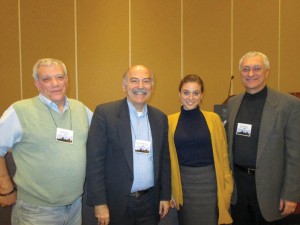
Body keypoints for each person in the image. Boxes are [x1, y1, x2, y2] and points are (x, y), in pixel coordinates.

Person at [0, 58, 92, 225]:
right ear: (37, 84)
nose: (55, 83)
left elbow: (102, 138)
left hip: (75, 207)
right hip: (36, 211)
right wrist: (6, 189)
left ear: (67, 79)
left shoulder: (80, 109)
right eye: (46, 79)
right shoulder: (19, 111)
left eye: (60, 77)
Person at [86, 65, 171, 225]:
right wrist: (99, 203)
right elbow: (94, 162)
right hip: (116, 204)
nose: (140, 86)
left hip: (150, 203)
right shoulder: (105, 114)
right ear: (124, 86)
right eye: (134, 81)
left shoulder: (160, 118)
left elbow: (164, 161)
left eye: (146, 81)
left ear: (152, 87)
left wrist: (165, 196)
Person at [227, 51, 300, 224]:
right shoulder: (232, 103)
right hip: (239, 188)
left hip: (271, 190)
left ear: (266, 72)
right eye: (246, 69)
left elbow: (295, 156)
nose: (251, 74)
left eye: (256, 68)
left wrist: (291, 195)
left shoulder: (289, 105)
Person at [167, 74, 233, 225]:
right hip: (182, 185)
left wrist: (227, 186)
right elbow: (166, 159)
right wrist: (169, 190)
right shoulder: (169, 121)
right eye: (186, 92)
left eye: (196, 93)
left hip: (210, 185)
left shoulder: (214, 119)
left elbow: (223, 156)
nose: (191, 97)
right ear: (179, 94)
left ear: (202, 95)